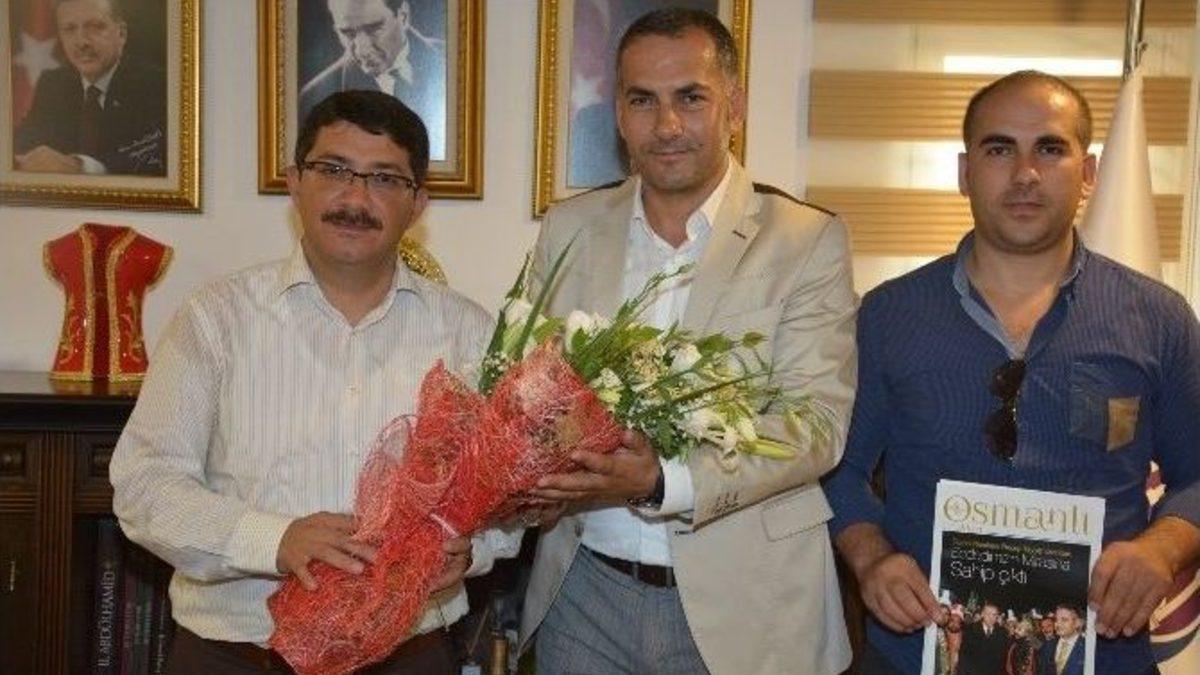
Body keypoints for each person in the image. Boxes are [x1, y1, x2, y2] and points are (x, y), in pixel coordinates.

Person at [108, 90, 518, 674]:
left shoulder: (470, 334)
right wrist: (273, 540)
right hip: (236, 656)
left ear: (418, 203)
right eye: (333, 170)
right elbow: (145, 487)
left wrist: (473, 551)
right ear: (295, 181)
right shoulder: (215, 319)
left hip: (410, 655)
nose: (355, 198)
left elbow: (508, 501)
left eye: (384, 179)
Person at [824, 69, 1200, 675]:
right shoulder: (889, 315)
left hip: (1102, 657)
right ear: (964, 172)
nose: (1025, 173)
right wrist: (870, 558)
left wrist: (1163, 548)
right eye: (999, 149)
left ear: (1088, 172)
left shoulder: (1157, 318)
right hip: (917, 653)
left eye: (1050, 149)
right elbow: (836, 469)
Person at [518, 9, 857, 675]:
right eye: (643, 100)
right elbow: (530, 388)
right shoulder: (570, 227)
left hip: (749, 604)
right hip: (583, 592)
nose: (667, 125)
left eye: (691, 98)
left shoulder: (805, 238)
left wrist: (664, 481)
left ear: (735, 107)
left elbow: (816, 423)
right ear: (618, 114)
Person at [14, 0, 166, 175]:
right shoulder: (53, 83)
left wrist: (82, 167)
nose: (82, 42)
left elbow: (157, 153)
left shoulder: (156, 84)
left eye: (95, 27)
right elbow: (23, 145)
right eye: (69, 29)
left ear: (121, 34)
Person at [299, 0, 446, 160]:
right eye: (348, 33)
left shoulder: (448, 58)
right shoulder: (313, 95)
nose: (362, 49)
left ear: (403, 16)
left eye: (374, 29)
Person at [958, 602, 1010, 674]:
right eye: (988, 614)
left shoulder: (1002, 633)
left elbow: (1003, 659)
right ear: (982, 614)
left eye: (994, 615)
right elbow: (964, 656)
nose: (991, 618)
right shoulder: (970, 630)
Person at [1037, 605, 1086, 675]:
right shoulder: (1047, 646)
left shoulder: (1087, 648)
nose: (1058, 624)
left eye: (1064, 620)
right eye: (1056, 620)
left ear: (1077, 623)